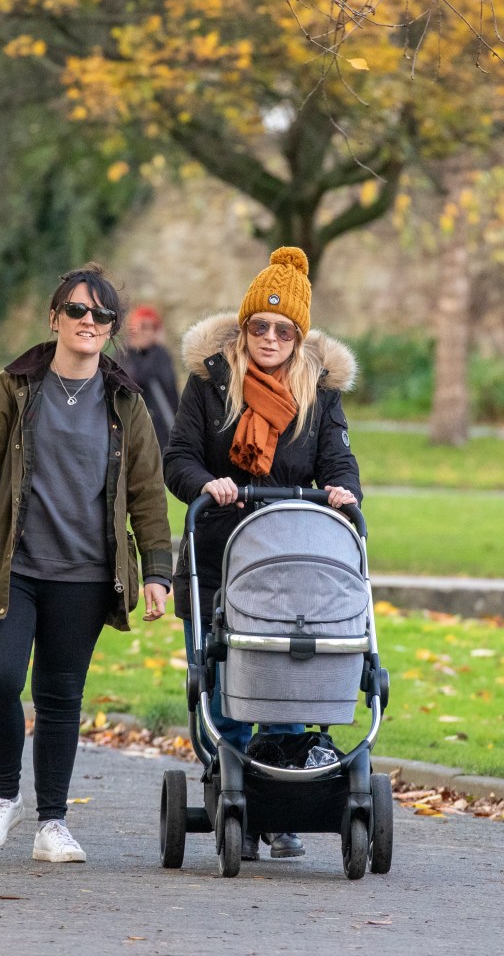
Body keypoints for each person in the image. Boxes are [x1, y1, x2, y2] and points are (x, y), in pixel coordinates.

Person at [0, 263, 173, 864]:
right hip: (9, 564)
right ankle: (3, 796)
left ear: (112, 328)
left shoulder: (126, 403)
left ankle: (53, 823)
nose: (88, 322)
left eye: (100, 315)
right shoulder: (14, 389)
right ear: (55, 318)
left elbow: (147, 494)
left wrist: (157, 572)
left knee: (61, 696)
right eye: (77, 311)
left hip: (86, 574)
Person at [163, 247, 362, 862]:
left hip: (298, 562)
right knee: (231, 674)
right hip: (224, 554)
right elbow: (179, 460)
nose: (269, 337)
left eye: (283, 329)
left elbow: (340, 462)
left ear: (299, 337)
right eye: (259, 326)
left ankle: (282, 803)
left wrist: (341, 490)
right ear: (243, 329)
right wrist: (207, 484)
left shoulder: (320, 395)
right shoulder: (210, 384)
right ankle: (236, 793)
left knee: (289, 674)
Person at [116, 304, 180, 450]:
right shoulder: (124, 354)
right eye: (143, 326)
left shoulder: (161, 354)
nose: (148, 332)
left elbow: (170, 389)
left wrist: (155, 349)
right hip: (136, 431)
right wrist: (139, 349)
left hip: (165, 430)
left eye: (153, 327)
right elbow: (133, 381)